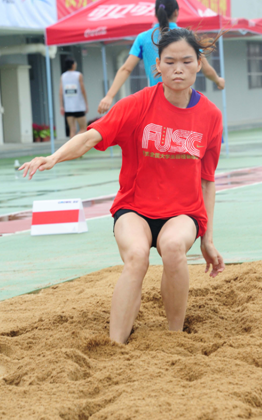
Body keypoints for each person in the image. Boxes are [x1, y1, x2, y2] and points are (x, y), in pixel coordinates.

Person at [20, 27, 225, 344]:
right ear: (157, 65)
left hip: (183, 212)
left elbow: (207, 181)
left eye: (186, 61)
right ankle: (116, 345)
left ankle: (174, 338)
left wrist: (207, 239)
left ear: (199, 63)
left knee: (172, 250)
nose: (178, 69)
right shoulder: (138, 104)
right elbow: (90, 137)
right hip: (135, 208)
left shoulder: (210, 115)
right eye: (169, 62)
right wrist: (54, 157)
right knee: (137, 257)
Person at [97, 0, 225, 114]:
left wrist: (109, 96)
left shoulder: (144, 37)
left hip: (156, 104)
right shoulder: (186, 37)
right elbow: (205, 68)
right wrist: (218, 80)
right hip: (184, 102)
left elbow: (126, 69)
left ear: (156, 13)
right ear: (176, 12)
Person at [59, 57, 89, 139]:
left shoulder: (63, 76)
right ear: (73, 64)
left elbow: (60, 92)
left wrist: (61, 106)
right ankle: (76, 143)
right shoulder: (78, 75)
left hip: (68, 107)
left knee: (72, 130)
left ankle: (71, 148)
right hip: (78, 106)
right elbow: (83, 90)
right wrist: (86, 104)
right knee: (83, 128)